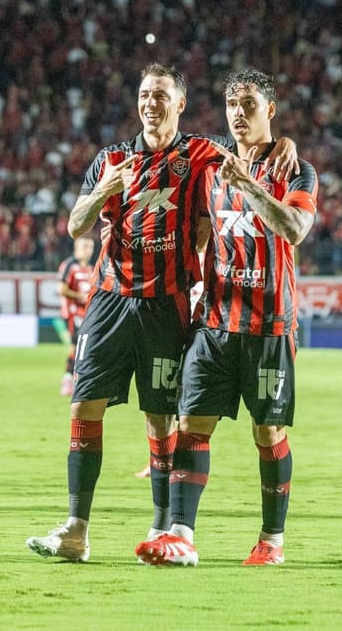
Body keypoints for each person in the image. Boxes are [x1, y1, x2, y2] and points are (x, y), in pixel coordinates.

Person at [25, 64, 298, 562]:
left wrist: (286, 145)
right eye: (145, 93)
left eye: (162, 95)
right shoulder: (111, 159)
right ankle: (76, 529)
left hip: (168, 307)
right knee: (83, 408)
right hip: (109, 301)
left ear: (180, 105)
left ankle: (163, 529)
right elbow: (74, 225)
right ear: (137, 101)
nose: (151, 102)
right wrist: (105, 190)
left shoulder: (202, 154)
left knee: (161, 421)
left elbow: (251, 147)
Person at [134, 68, 318, 566]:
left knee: (268, 434)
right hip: (214, 321)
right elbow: (167, 140)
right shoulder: (210, 162)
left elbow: (295, 228)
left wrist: (255, 188)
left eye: (250, 104)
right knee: (193, 424)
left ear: (270, 111)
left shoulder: (296, 172)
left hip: (268, 327)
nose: (239, 112)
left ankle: (272, 541)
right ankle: (180, 536)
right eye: (232, 104)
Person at [56, 235, 95, 396]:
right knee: (76, 346)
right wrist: (78, 296)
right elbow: (62, 289)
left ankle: (77, 378)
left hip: (87, 313)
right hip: (72, 313)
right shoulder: (69, 265)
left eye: (90, 247)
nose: (88, 251)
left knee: (84, 347)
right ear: (77, 248)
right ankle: (67, 379)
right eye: (85, 247)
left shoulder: (92, 268)